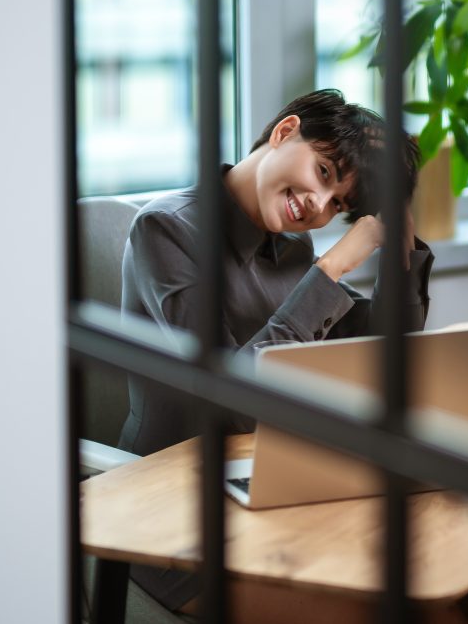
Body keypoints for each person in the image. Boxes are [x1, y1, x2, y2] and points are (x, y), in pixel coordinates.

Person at [115, 88, 434, 613]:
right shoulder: (167, 230)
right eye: (325, 174)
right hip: (173, 512)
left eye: (338, 206)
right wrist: (330, 270)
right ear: (285, 132)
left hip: (271, 486)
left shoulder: (290, 243)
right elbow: (232, 392)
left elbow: (380, 351)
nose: (318, 207)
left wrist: (400, 251)